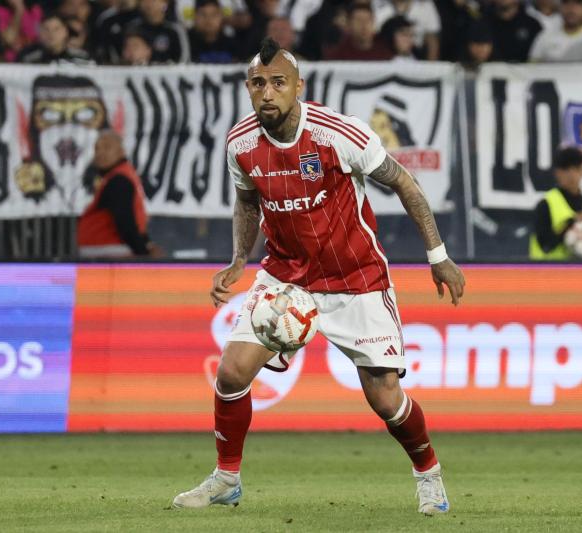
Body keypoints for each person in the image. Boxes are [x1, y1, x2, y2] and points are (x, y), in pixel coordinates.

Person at [172, 37, 465, 516]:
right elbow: (248, 202)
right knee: (231, 372)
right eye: (257, 83)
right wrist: (239, 261)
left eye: (278, 83)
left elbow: (403, 182)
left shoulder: (337, 133)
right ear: (248, 88)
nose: (267, 93)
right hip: (286, 279)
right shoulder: (241, 144)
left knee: (386, 398)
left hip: (356, 278)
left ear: (298, 87)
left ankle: (427, 473)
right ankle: (226, 478)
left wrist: (439, 255)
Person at [77, 130, 160, 259]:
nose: (100, 153)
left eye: (107, 147)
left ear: (122, 152)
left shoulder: (119, 180)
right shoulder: (121, 176)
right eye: (96, 149)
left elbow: (125, 222)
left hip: (109, 255)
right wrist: (145, 246)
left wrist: (143, 254)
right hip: (107, 252)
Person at [529, 146, 582, 260]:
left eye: (576, 169)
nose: (571, 175)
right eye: (566, 169)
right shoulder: (546, 204)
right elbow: (545, 246)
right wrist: (571, 223)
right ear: (557, 173)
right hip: (548, 273)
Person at [323, 3, 393, 60]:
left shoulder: (386, 52)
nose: (364, 25)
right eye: (358, 20)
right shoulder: (337, 55)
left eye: (368, 20)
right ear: (349, 25)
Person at [17, 13, 93, 64]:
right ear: (40, 32)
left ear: (65, 32)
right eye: (46, 29)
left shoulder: (83, 58)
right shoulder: (28, 60)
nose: (51, 34)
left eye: (56, 29)